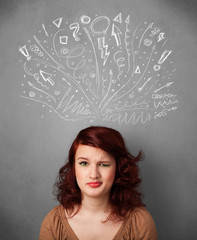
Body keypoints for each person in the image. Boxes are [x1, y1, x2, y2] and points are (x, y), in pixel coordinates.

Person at [39, 126, 158, 240]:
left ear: (118, 168)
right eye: (84, 163)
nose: (94, 175)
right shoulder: (53, 223)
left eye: (104, 164)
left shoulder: (140, 222)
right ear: (73, 168)